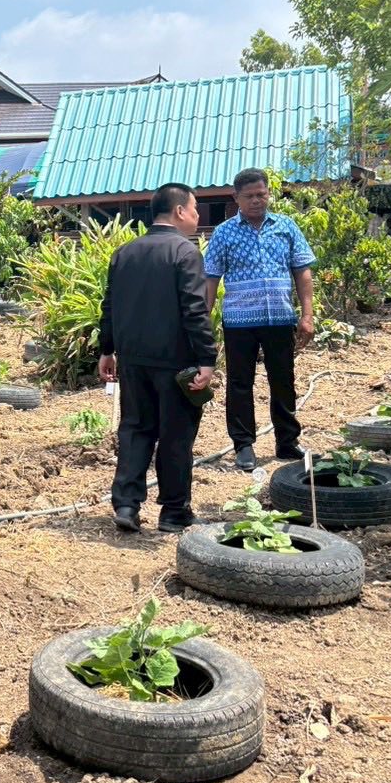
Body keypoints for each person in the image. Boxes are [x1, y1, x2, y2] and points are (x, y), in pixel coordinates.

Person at [98, 184, 218, 534]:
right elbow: (196, 311)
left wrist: (107, 349)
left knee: (135, 429)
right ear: (179, 211)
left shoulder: (124, 253)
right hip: (176, 361)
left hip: (133, 360)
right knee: (176, 434)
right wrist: (207, 358)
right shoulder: (185, 253)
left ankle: (126, 503)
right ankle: (174, 511)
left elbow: (109, 306)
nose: (197, 216)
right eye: (195, 208)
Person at [203, 168, 316, 471]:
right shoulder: (224, 233)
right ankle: (243, 445)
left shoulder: (286, 227)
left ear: (269, 193)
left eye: (261, 194)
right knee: (240, 383)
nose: (256, 200)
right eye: (249, 196)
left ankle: (287, 442)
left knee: (283, 380)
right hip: (239, 322)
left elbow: (302, 272)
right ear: (236, 198)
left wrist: (307, 315)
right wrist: (203, 323)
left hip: (280, 318)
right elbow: (211, 279)